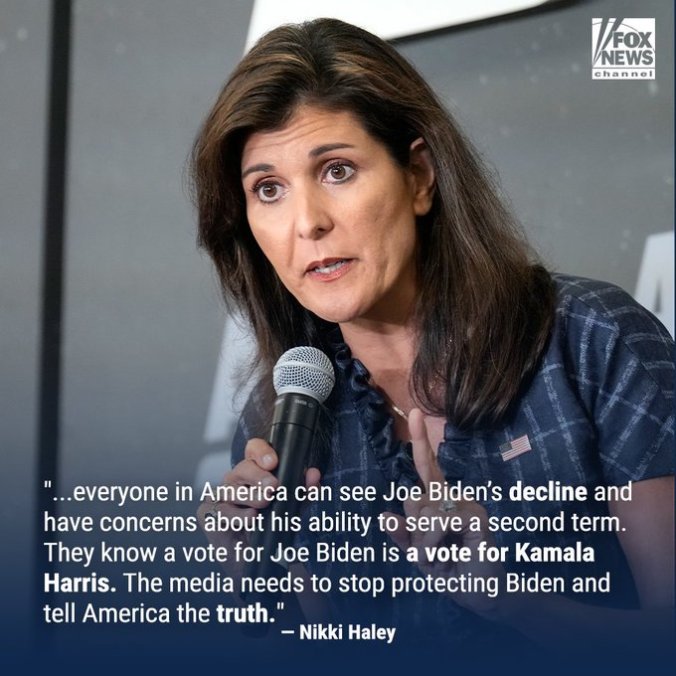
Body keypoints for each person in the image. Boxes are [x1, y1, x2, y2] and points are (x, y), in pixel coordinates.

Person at [189, 17, 674, 659]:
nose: (307, 223)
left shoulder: (589, 340)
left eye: (337, 171)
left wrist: (515, 601)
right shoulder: (280, 419)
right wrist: (253, 582)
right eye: (268, 189)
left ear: (418, 177)